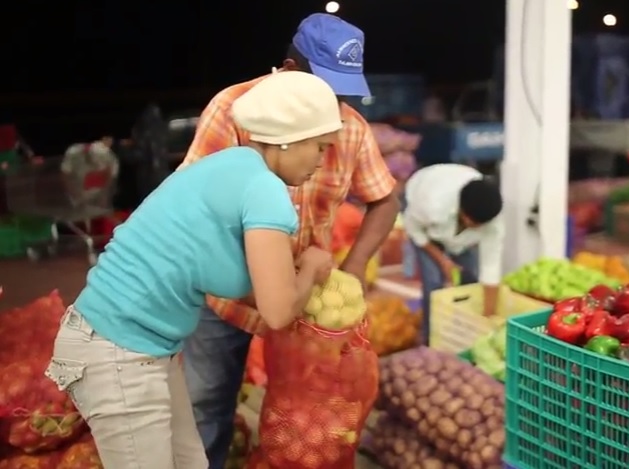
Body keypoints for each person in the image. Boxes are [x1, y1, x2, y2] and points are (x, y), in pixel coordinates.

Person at [44, 71, 342, 469]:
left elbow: (247, 284)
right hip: (118, 350)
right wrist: (314, 266)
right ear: (289, 138)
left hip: (135, 346)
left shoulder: (231, 166)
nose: (321, 162)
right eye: (319, 148)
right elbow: (277, 310)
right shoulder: (265, 188)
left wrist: (295, 277)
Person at [179, 13, 399, 468]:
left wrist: (354, 267)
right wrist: (266, 287)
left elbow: (384, 199)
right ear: (290, 69)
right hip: (225, 298)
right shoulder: (232, 109)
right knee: (205, 406)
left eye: (343, 95)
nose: (335, 107)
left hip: (306, 304)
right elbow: (195, 214)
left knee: (308, 418)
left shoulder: (351, 127)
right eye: (327, 91)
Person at [402, 163, 504, 344]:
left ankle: (462, 332)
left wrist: (488, 319)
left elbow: (491, 268)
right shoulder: (431, 206)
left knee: (470, 278)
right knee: (434, 282)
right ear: (462, 212)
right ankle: (429, 339)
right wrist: (442, 260)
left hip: (454, 230)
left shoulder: (493, 223)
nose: (478, 228)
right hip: (424, 224)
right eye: (475, 224)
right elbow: (414, 230)